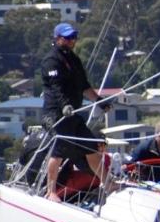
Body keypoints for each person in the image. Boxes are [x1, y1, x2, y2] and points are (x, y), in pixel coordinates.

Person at [42, 22, 111, 203]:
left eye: (73, 37)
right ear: (57, 38)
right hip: (56, 115)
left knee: (91, 147)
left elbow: (84, 86)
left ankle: (109, 184)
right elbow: (56, 88)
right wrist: (64, 106)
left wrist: (100, 101)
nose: (72, 40)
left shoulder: (74, 60)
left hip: (73, 114)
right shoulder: (52, 60)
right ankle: (51, 192)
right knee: (59, 151)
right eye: (67, 37)